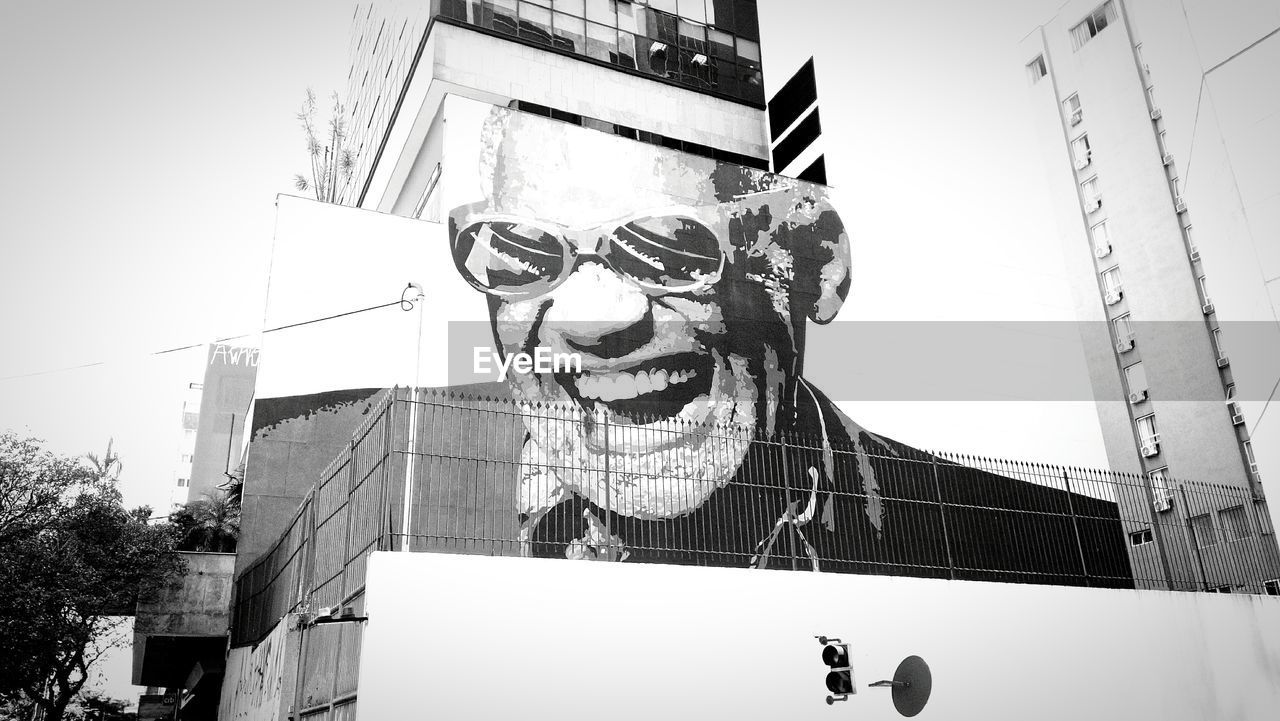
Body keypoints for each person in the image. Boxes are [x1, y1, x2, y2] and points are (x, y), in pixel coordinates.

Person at [444, 105, 1127, 582]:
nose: (593, 321)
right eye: (515, 252)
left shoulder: (1034, 545)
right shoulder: (522, 540)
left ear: (814, 268)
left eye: (669, 247)